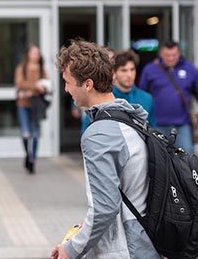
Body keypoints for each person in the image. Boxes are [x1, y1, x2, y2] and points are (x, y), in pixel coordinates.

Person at [52, 40, 158, 259]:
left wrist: (70, 250)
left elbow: (105, 208)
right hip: (146, 239)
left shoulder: (100, 134)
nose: (66, 89)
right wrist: (86, 229)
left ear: (88, 84)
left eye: (67, 82)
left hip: (126, 248)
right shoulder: (131, 116)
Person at [139, 40, 198, 154]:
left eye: (174, 55)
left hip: (182, 124)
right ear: (161, 54)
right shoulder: (150, 70)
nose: (171, 58)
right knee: (159, 159)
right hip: (157, 124)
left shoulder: (190, 69)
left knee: (186, 157)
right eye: (167, 55)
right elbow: (142, 94)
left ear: (179, 53)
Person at [15, 45, 49, 174]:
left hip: (36, 106)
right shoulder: (21, 68)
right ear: (28, 54)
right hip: (23, 104)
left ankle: (33, 160)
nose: (36, 55)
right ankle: (28, 154)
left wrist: (32, 90)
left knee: (35, 134)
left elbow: (46, 85)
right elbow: (20, 83)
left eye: (38, 53)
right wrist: (36, 87)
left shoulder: (41, 70)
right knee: (25, 133)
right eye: (34, 52)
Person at [113, 50, 156, 127]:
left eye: (132, 69)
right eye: (124, 70)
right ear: (114, 73)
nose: (129, 75)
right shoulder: (105, 99)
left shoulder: (147, 98)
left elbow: (152, 130)